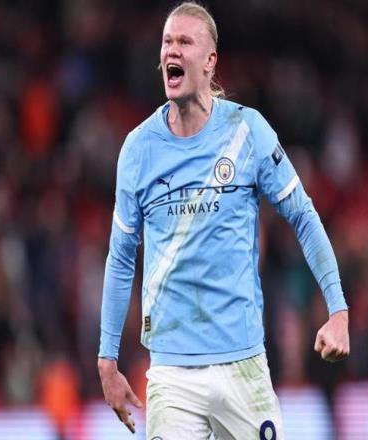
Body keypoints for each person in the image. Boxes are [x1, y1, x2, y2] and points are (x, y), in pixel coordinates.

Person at [98, 2, 350, 439]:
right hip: (172, 372)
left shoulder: (247, 132)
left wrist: (338, 310)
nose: (171, 50)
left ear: (210, 61)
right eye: (167, 42)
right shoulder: (138, 149)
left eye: (184, 41)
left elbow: (303, 216)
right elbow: (120, 258)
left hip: (242, 364)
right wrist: (107, 358)